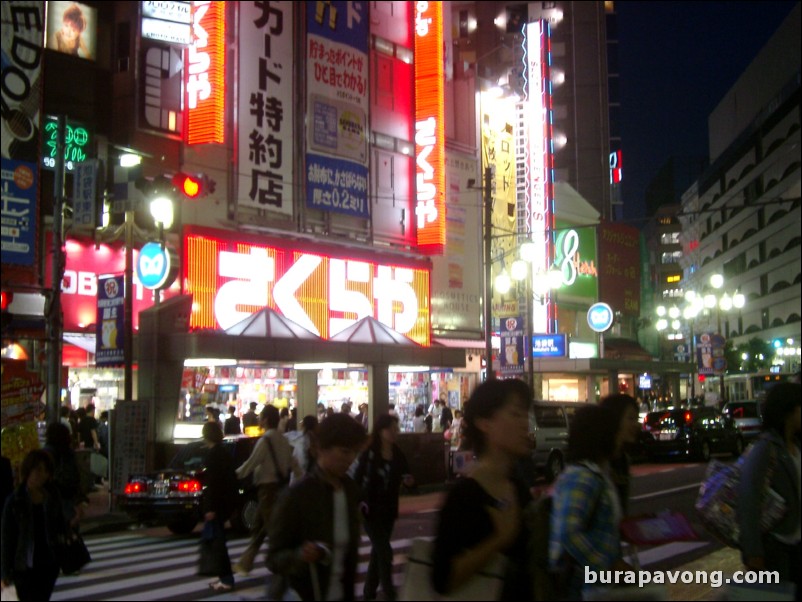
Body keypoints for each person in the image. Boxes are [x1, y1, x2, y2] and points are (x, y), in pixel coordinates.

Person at [432, 378, 534, 600]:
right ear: (484, 423)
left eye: (525, 415)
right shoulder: (464, 496)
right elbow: (442, 579)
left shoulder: (518, 488)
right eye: (515, 414)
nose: (525, 423)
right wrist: (500, 539)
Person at [267, 413, 367, 601]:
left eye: (355, 452)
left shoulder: (351, 492)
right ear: (321, 449)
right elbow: (273, 559)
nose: (351, 459)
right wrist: (300, 555)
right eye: (345, 451)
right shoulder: (297, 495)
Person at [549, 404, 633, 600]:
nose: (620, 440)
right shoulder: (581, 477)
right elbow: (569, 534)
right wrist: (609, 566)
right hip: (583, 589)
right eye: (616, 433)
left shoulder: (598, 474)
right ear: (602, 435)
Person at [738, 382, 801, 594]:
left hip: (796, 542)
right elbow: (748, 500)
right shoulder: (765, 448)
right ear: (788, 411)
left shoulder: (796, 446)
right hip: (775, 545)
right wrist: (753, 552)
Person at [354, 414, 413, 601]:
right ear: (381, 431)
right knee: (385, 551)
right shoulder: (370, 453)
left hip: (388, 509)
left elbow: (407, 474)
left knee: (378, 552)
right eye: (391, 429)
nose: (395, 432)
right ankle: (389, 592)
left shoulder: (397, 453)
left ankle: (369, 592)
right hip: (370, 510)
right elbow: (357, 478)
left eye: (396, 429)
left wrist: (409, 481)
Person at [233, 405, 295, 575]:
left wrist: (233, 476)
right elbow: (293, 463)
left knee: (271, 529)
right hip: (281, 488)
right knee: (260, 527)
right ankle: (246, 562)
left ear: (266, 419)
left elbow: (251, 463)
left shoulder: (265, 440)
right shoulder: (283, 439)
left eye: (261, 417)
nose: (258, 419)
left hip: (267, 490)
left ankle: (284, 564)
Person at [1, 449, 67, 601]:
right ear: (28, 469)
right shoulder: (15, 501)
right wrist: (4, 573)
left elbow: (60, 525)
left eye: (45, 471)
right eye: (38, 469)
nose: (41, 475)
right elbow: (7, 538)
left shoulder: (51, 497)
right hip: (24, 566)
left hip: (49, 563)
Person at [201, 422, 239, 592]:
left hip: (217, 504)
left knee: (219, 543)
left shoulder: (212, 455)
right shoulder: (225, 452)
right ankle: (224, 577)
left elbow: (213, 483)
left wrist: (210, 508)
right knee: (219, 542)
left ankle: (226, 579)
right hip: (226, 501)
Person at [599, 394, 641, 514]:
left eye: (636, 419)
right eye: (631, 418)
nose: (636, 425)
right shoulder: (596, 462)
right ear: (614, 419)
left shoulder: (623, 459)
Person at [43, 423, 84, 533]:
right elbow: (75, 477)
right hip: (69, 500)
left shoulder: (47, 452)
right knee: (70, 535)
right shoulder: (68, 453)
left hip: (54, 498)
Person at [291, 415, 319, 483]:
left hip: (306, 478)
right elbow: (302, 461)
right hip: (303, 479)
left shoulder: (307, 439)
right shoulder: (305, 441)